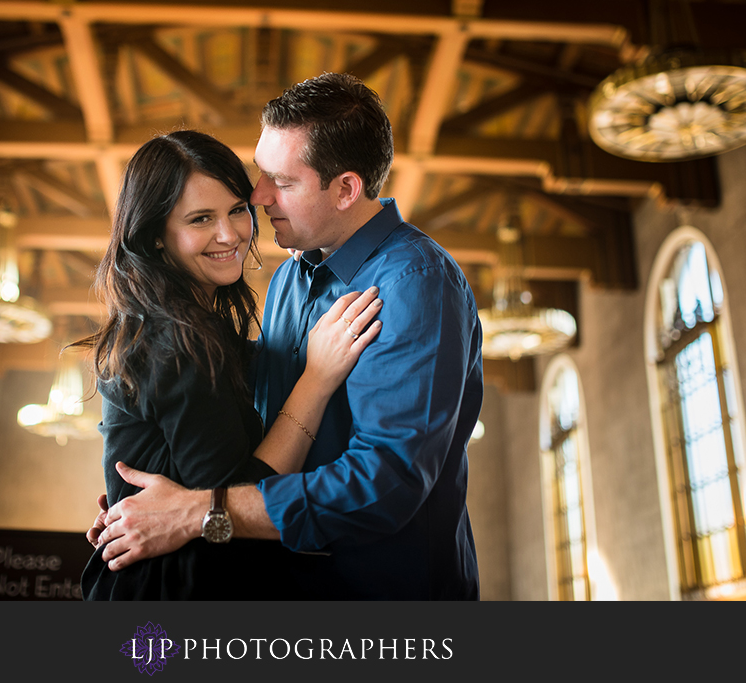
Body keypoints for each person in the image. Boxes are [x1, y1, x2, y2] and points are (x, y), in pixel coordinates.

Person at [92, 72, 483, 601]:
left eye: (282, 181)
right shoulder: (288, 280)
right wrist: (147, 494)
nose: (256, 196)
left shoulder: (413, 283)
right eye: (259, 173)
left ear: (346, 188)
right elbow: (232, 418)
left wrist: (200, 511)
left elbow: (384, 483)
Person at [76, 129, 382, 600]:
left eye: (237, 210)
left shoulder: (193, 325)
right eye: (201, 219)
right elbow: (236, 500)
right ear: (156, 236)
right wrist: (316, 380)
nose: (230, 235)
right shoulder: (174, 339)